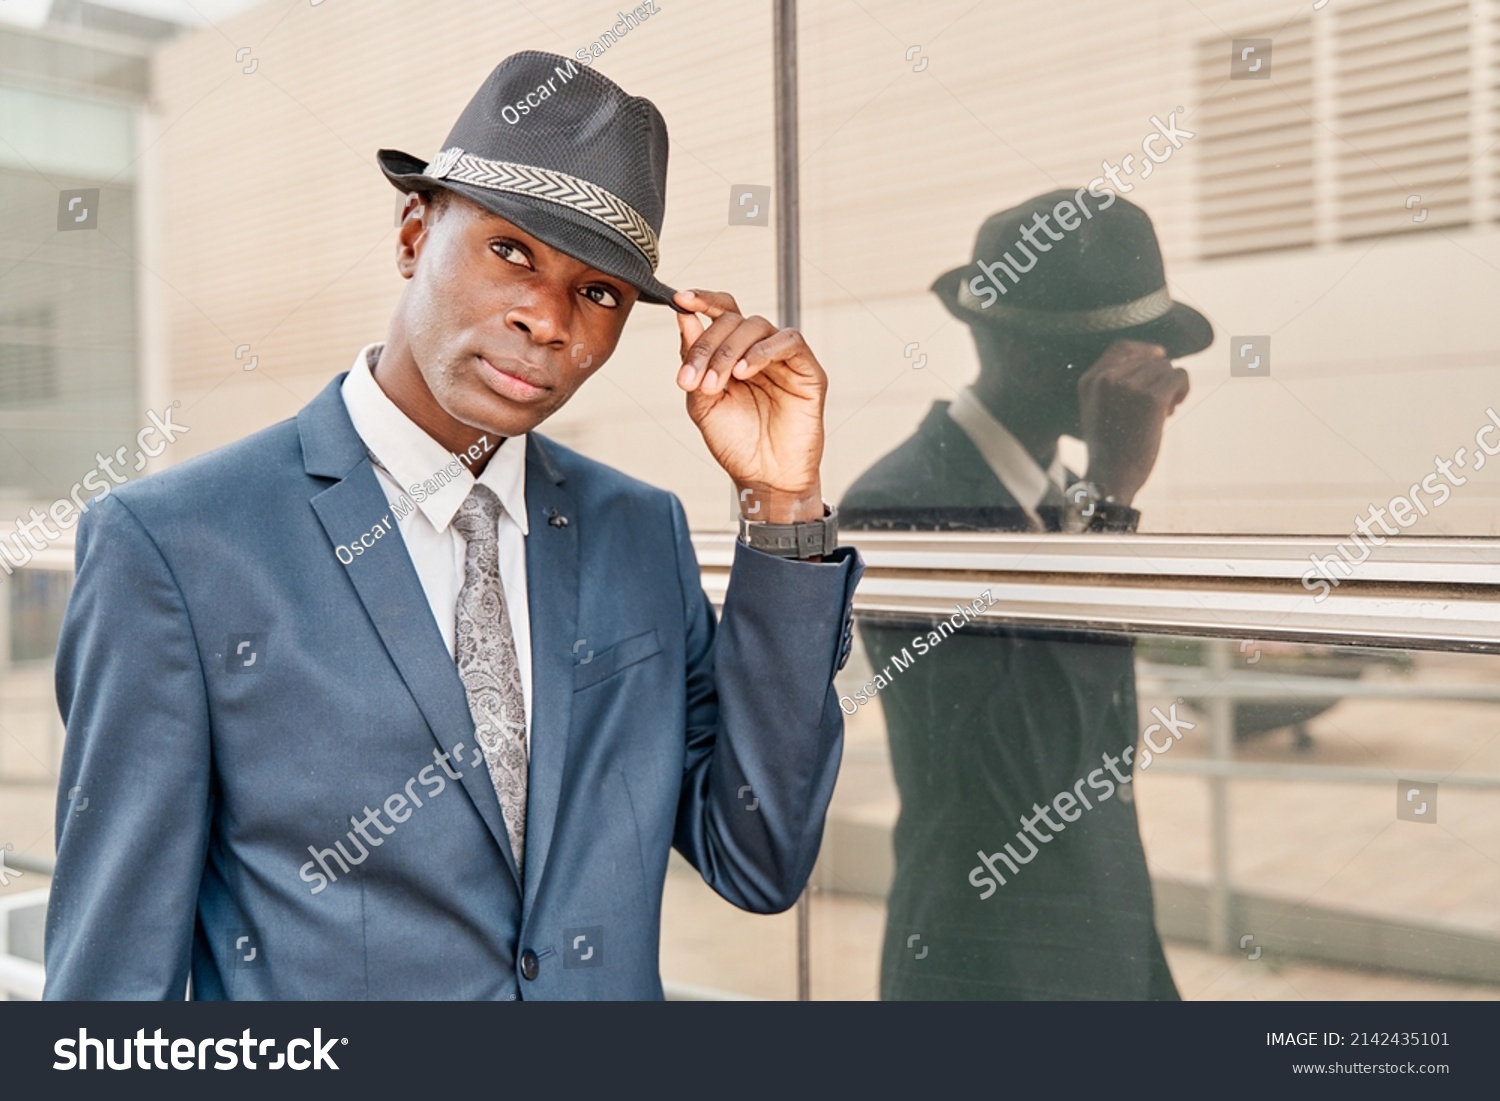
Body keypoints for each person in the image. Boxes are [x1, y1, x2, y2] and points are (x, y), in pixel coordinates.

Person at [45, 51, 862, 1000]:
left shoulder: (642, 533)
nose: (547, 318)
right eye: (511, 250)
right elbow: (110, 990)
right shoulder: (173, 549)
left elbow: (757, 855)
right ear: (411, 234)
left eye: (597, 291)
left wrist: (784, 506)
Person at [841, 190, 1209, 999]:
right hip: (985, 968)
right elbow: (1022, 756)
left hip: (1107, 946)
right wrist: (1113, 494)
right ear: (1027, 351)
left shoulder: (1067, 499)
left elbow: (1100, 759)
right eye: (1126, 347)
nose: (1152, 369)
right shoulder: (902, 504)